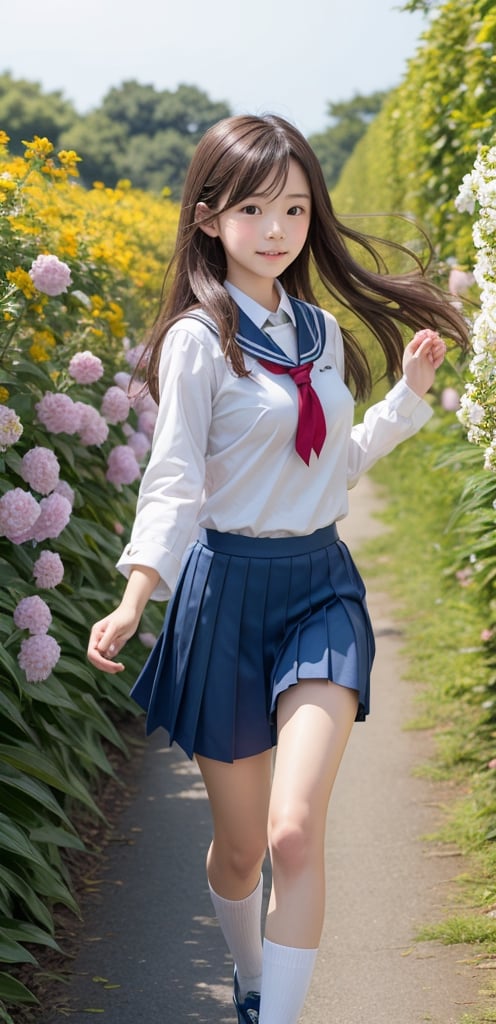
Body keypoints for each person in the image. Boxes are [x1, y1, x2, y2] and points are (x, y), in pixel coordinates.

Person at [87, 114, 468, 1024]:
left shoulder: (320, 333)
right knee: (243, 850)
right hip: (224, 595)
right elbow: (176, 479)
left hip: (319, 591)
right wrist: (140, 590)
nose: (278, 230)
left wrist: (409, 402)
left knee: (296, 835)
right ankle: (253, 975)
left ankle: (281, 1016)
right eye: (254, 208)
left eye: (295, 208)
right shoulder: (197, 339)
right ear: (211, 218)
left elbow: (328, 465)